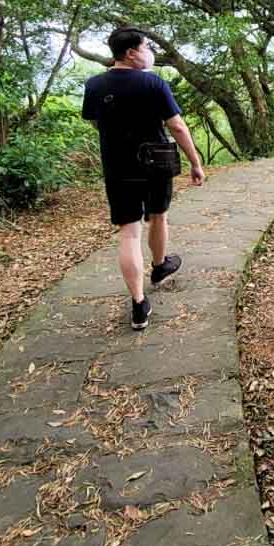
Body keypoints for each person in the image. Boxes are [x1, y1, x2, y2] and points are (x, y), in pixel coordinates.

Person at [82, 27, 206, 330]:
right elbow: (176, 126)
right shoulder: (153, 82)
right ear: (131, 53)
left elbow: (96, 122)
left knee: (129, 232)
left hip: (117, 167)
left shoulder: (94, 85)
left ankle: (138, 304)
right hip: (155, 163)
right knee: (158, 216)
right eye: (145, 46)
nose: (149, 51)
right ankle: (159, 266)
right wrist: (195, 161)